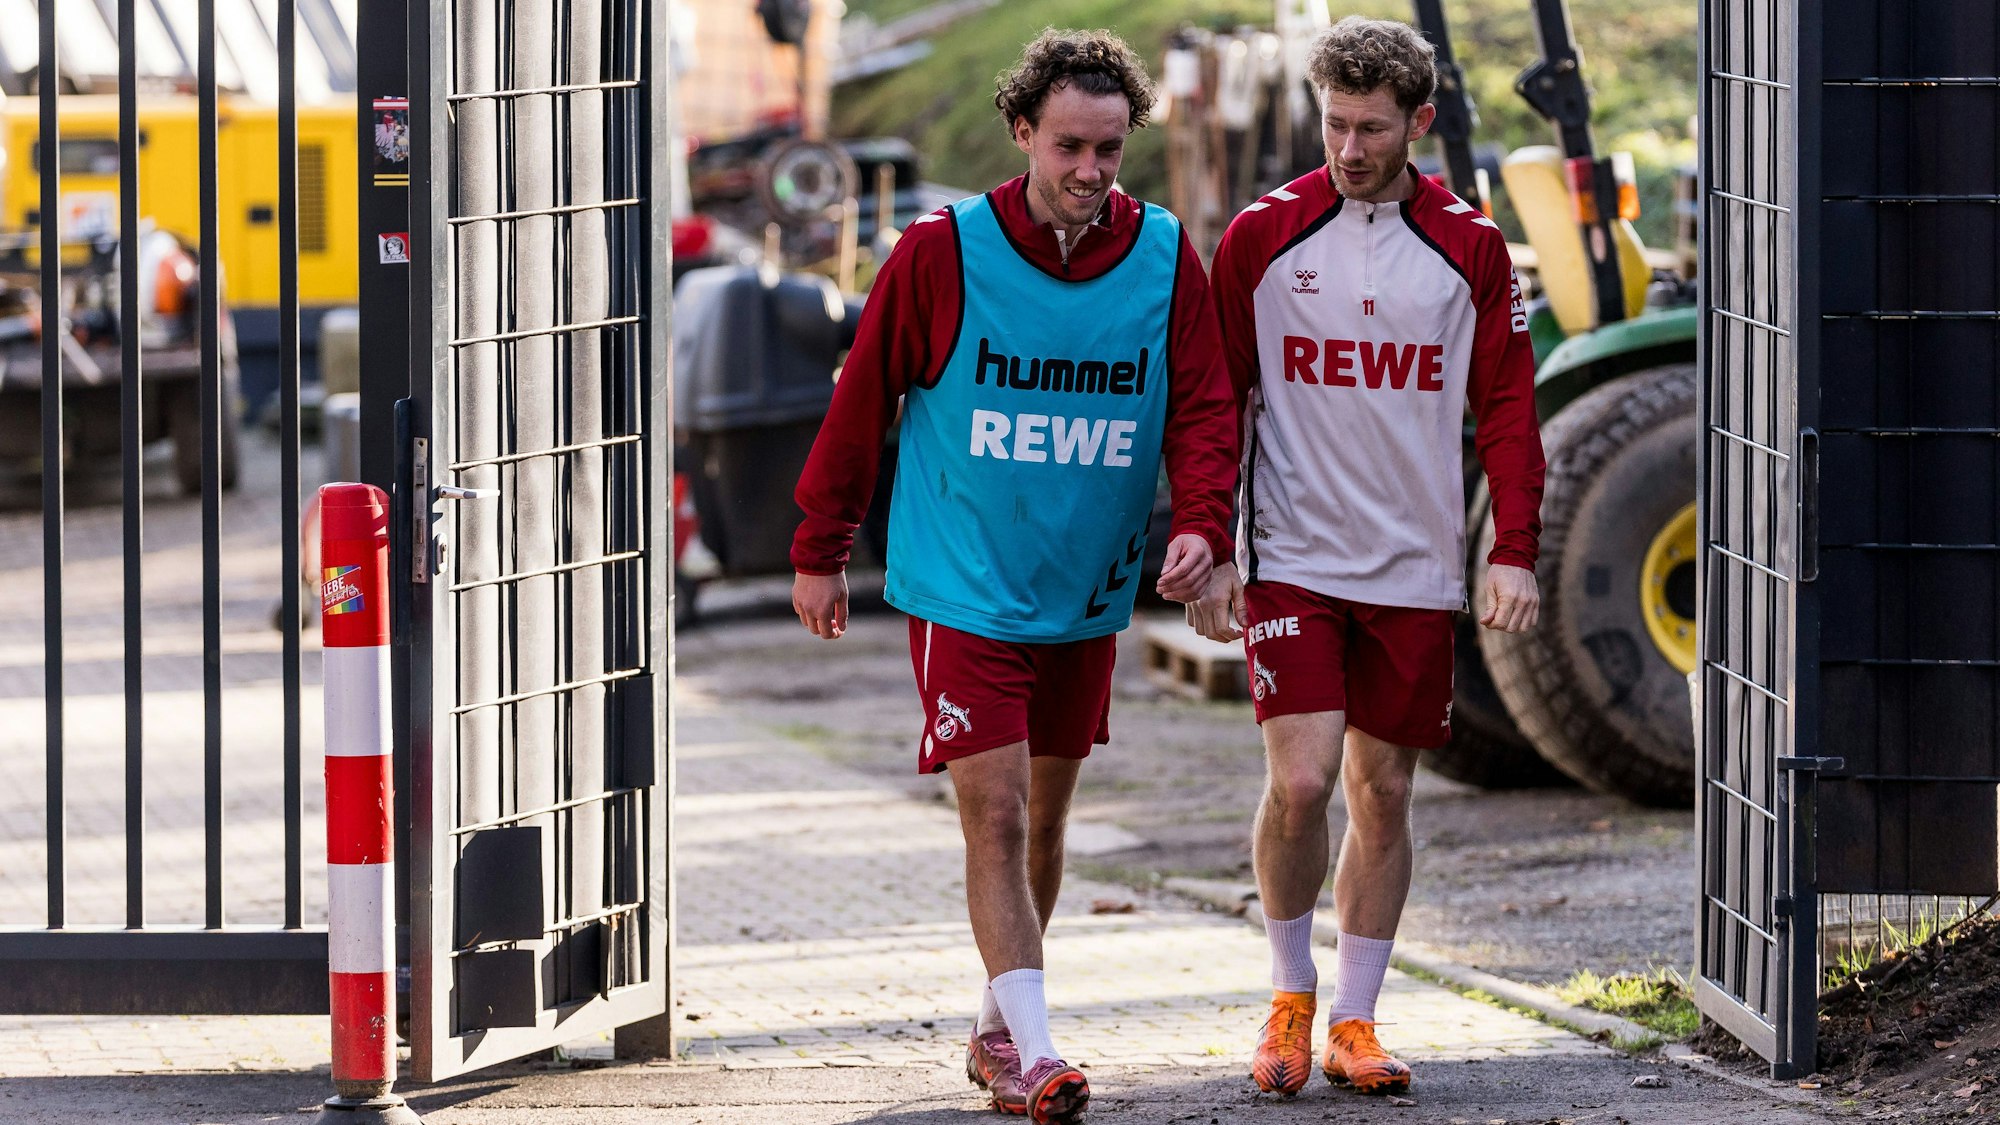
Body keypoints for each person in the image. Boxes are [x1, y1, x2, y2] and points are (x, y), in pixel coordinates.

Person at [789, 28, 1238, 1124]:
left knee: (1040, 823)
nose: (1089, 172)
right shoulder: (943, 250)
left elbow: (1203, 404)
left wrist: (1203, 527)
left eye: (1110, 151)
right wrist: (820, 543)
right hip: (963, 580)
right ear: (1022, 131)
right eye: (1070, 147)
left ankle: (996, 1032)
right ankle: (1039, 1054)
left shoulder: (1164, 252)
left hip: (1083, 588)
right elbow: (862, 403)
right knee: (990, 813)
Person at [1191, 15, 1547, 1099]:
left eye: (1370, 128)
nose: (1348, 148)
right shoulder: (1261, 235)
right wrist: (1209, 542)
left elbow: (1508, 412)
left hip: (1412, 567)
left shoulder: (1471, 249)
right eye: (1334, 124)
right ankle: (1288, 998)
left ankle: (1355, 1019)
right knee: (1301, 784)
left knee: (1382, 796)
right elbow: (1214, 402)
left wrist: (1513, 550)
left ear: (1418, 124)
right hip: (1293, 559)